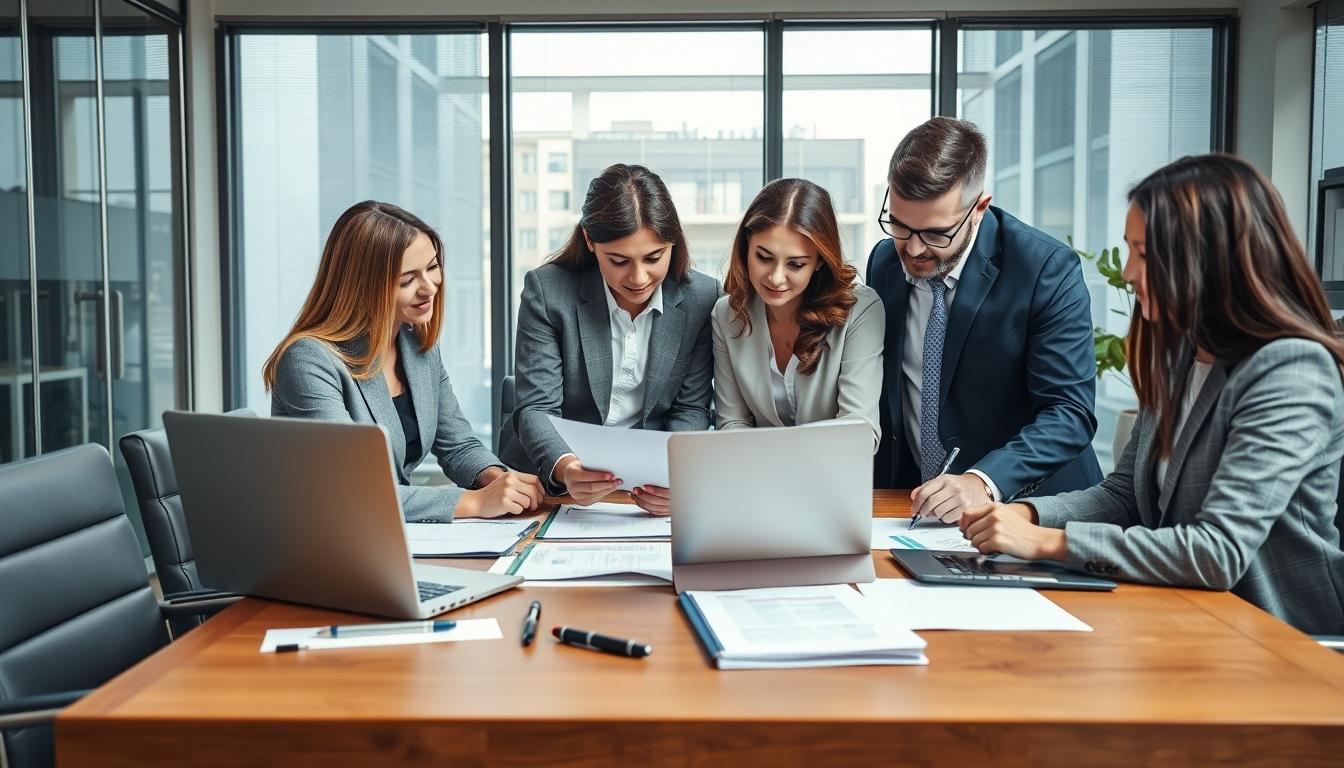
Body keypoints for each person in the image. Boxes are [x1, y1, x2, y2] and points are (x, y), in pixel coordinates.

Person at [958, 154, 1344, 636]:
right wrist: (1027, 513)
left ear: (1205, 257)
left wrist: (1047, 543)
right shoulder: (1182, 353)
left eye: (1145, 253)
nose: (1127, 273)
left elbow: (1217, 552)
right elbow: (1126, 496)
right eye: (1130, 250)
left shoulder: (1290, 369)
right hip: (1184, 616)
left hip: (1278, 639)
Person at [866, 116, 1101, 523]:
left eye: (936, 233)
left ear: (979, 208)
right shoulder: (885, 262)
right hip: (915, 516)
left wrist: (983, 480)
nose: (913, 248)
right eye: (900, 226)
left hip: (1029, 512)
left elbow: (1069, 411)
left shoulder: (1044, 268)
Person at [265, 200, 543, 522]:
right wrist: (475, 503)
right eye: (407, 280)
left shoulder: (416, 346)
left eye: (433, 267)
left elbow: (458, 445)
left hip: (390, 535)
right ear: (361, 286)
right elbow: (352, 489)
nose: (429, 288)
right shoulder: (309, 360)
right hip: (327, 543)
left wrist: (500, 481)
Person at [498, 163, 719, 515]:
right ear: (590, 241)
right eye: (618, 260)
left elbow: (690, 408)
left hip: (647, 492)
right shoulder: (548, 291)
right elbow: (537, 408)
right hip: (549, 488)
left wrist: (677, 475)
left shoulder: (703, 297)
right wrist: (567, 468)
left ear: (672, 243)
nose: (639, 277)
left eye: (654, 257)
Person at [712, 178, 883, 446]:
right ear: (746, 248)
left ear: (818, 262)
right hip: (755, 478)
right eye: (764, 257)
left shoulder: (861, 311)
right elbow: (731, 423)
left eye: (796, 264)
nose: (776, 278)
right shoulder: (726, 314)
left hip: (833, 478)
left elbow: (859, 429)